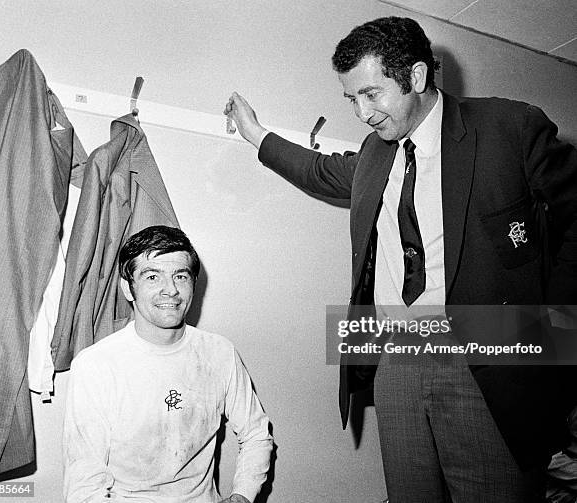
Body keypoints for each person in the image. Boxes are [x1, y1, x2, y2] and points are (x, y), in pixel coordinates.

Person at [225, 16, 577, 502]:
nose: (362, 112)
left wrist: (550, 334)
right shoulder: (375, 153)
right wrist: (255, 133)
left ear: (415, 76)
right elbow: (319, 171)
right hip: (395, 353)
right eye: (352, 99)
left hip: (488, 350)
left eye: (372, 94)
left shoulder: (508, 126)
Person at [63, 225, 273, 503]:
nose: (170, 290)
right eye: (152, 276)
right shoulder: (96, 365)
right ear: (128, 287)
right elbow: (84, 486)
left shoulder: (219, 352)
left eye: (180, 276)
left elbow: (256, 434)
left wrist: (241, 496)